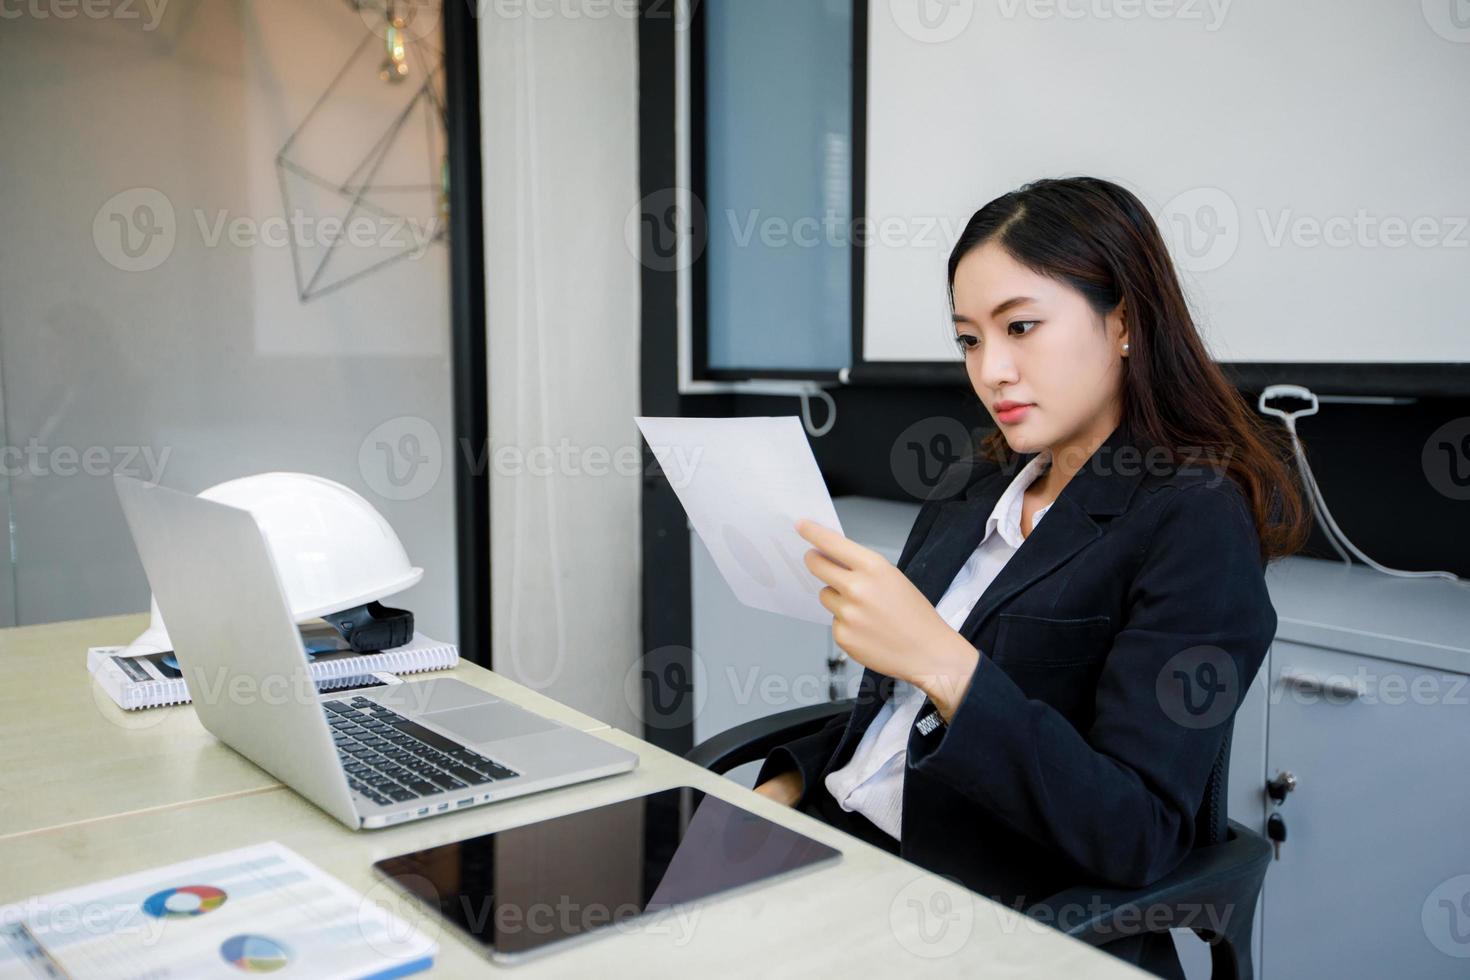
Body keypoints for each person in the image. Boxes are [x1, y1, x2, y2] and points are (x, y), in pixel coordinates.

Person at [752, 176, 1310, 978]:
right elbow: (898, 720)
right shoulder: (975, 494)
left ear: (1123, 322)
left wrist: (944, 663)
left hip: (981, 917)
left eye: (1021, 327)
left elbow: (1138, 831)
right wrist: (781, 791)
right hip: (847, 858)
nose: (993, 371)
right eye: (970, 340)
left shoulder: (1193, 521)